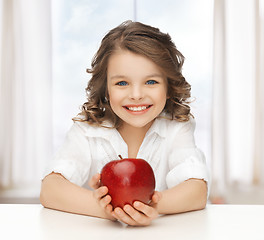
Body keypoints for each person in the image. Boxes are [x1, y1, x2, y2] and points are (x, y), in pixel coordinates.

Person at [40, 20, 210, 226]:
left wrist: (149, 205)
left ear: (169, 87)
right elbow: (50, 189)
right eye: (122, 83)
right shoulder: (87, 129)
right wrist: (108, 208)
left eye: (151, 82)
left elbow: (197, 191)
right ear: (106, 89)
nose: (136, 95)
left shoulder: (176, 126)